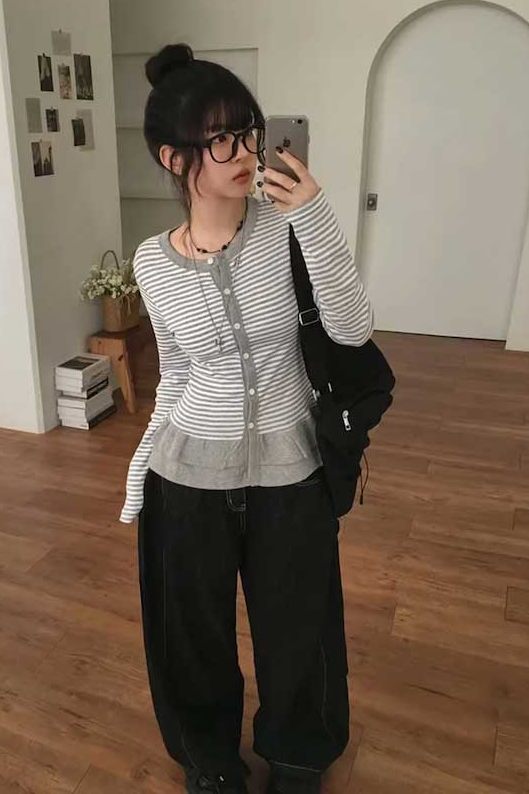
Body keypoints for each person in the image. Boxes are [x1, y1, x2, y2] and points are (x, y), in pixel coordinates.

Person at [118, 43, 374, 794]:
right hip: (186, 476)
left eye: (248, 132)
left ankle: (298, 758)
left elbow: (352, 330)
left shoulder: (289, 227)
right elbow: (176, 372)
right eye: (221, 139)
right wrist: (140, 472)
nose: (245, 152)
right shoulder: (151, 261)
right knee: (190, 638)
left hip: (291, 471)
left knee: (301, 630)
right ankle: (209, 765)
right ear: (174, 158)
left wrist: (315, 216)